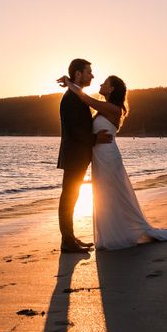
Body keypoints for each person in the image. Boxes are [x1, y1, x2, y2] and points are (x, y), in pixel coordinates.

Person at [57, 73, 167, 251]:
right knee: (106, 195)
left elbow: (84, 98)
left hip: (108, 156)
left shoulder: (113, 108)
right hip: (101, 156)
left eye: (105, 83)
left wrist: (69, 82)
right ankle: (111, 233)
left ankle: (120, 234)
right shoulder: (107, 107)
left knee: (113, 194)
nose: (100, 83)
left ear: (111, 89)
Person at [57, 59, 112, 253]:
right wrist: (96, 137)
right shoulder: (71, 99)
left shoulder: (76, 95)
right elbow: (75, 131)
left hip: (77, 155)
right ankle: (67, 242)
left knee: (72, 196)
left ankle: (70, 238)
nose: (92, 75)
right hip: (73, 155)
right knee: (68, 197)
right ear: (78, 74)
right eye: (89, 72)